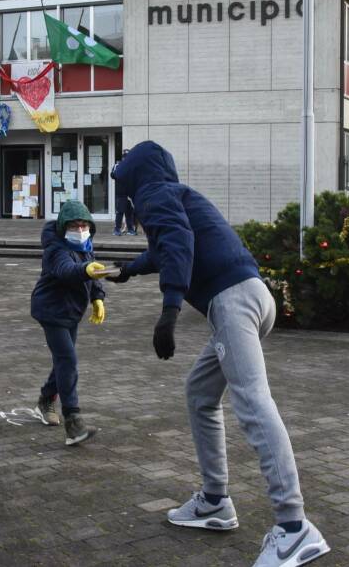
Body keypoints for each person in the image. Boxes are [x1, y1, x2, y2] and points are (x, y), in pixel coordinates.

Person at [110, 141, 329, 567]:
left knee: (253, 403)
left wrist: (169, 310)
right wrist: (128, 270)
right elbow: (165, 249)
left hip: (232, 303)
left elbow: (176, 243)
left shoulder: (154, 195)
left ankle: (293, 527)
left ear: (134, 175)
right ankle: (214, 502)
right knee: (200, 394)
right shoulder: (174, 193)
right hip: (255, 296)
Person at [30, 200, 107, 446]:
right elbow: (67, 270)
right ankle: (73, 421)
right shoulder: (55, 248)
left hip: (72, 311)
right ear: (64, 226)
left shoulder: (85, 244)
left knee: (64, 360)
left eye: (84, 225)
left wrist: (97, 297)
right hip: (51, 310)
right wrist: (86, 270)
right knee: (68, 360)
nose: (80, 229)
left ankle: (45, 399)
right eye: (74, 225)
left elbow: (92, 274)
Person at [113, 149, 137, 236]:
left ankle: (131, 229)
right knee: (120, 212)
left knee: (129, 213)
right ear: (122, 157)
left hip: (130, 194)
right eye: (124, 157)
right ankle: (116, 229)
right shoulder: (118, 165)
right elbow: (113, 175)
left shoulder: (133, 166)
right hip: (121, 194)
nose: (126, 158)